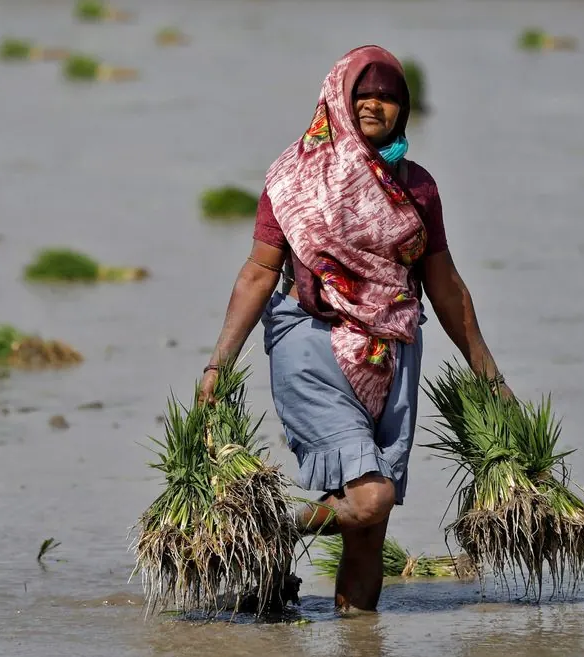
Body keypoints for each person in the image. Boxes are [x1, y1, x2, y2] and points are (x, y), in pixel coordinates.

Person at [199, 45, 509, 614]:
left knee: (372, 526)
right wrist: (219, 361)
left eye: (389, 96)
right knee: (371, 498)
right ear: (337, 100)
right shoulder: (294, 179)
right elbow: (260, 272)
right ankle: (273, 531)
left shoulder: (417, 187)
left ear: (405, 109)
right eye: (363, 93)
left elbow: (444, 287)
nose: (375, 104)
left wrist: (489, 375)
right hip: (310, 345)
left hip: (391, 353)